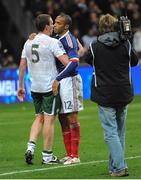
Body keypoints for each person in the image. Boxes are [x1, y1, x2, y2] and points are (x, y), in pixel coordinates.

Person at [84, 14, 138, 176]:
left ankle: (120, 167)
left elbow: (88, 60)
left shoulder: (95, 46)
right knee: (119, 132)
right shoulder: (125, 44)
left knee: (111, 132)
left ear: (101, 27)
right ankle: (115, 166)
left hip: (105, 93)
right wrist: (125, 40)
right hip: (123, 92)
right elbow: (134, 62)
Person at [17, 14, 74, 165]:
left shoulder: (28, 42)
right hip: (50, 87)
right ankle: (47, 156)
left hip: (35, 87)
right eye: (52, 23)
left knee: (38, 117)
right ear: (47, 26)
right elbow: (67, 62)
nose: (54, 26)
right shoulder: (52, 42)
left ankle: (30, 147)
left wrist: (21, 86)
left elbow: (22, 65)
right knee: (49, 119)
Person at [53, 13, 83, 165]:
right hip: (64, 81)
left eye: (58, 23)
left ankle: (75, 156)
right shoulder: (59, 39)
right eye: (54, 22)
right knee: (62, 117)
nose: (54, 25)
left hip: (70, 81)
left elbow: (74, 62)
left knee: (71, 116)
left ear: (66, 26)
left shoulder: (68, 39)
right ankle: (69, 153)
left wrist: (58, 78)